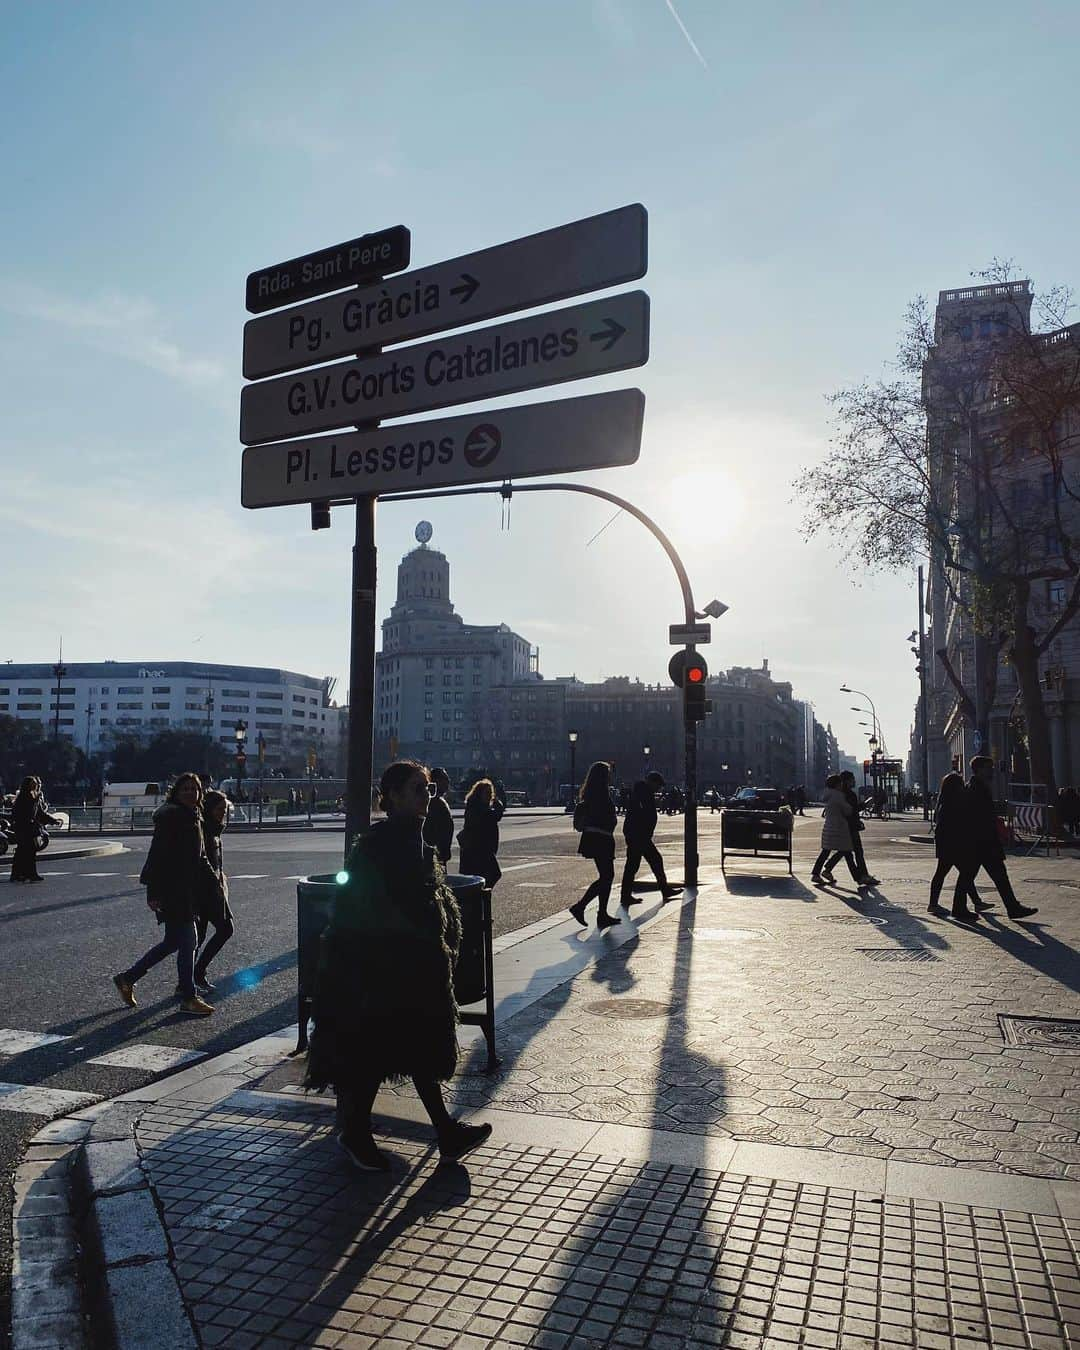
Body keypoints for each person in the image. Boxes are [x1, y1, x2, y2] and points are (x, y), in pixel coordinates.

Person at [304, 760, 491, 1171]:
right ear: (392, 796)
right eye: (418, 788)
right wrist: (419, 937)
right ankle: (357, 1132)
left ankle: (444, 1132)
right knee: (376, 1051)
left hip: (407, 966)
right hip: (382, 969)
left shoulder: (412, 838)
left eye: (428, 787)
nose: (428, 794)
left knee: (410, 1047)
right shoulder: (381, 844)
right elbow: (374, 908)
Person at [113, 773, 218, 1016]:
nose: (191, 793)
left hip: (186, 889)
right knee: (189, 941)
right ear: (176, 793)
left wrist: (213, 881)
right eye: (186, 789)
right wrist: (153, 892)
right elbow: (157, 855)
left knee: (173, 942)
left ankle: (128, 978)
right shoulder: (172, 817)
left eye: (195, 789)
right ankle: (188, 996)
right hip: (173, 889)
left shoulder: (192, 816)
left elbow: (200, 857)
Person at [968, 756, 1037, 920]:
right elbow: (981, 815)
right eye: (988, 767)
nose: (992, 770)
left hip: (982, 841)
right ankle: (1012, 907)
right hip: (984, 842)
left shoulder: (978, 786)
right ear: (979, 769)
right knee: (987, 876)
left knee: (985, 876)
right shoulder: (977, 788)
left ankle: (1012, 907)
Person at [927, 771, 986, 923]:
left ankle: (935, 904)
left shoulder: (944, 800)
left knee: (952, 872)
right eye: (961, 784)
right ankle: (963, 906)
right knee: (965, 872)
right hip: (954, 843)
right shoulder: (955, 800)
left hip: (945, 842)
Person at [193, 790, 235, 991]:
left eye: (225, 809)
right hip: (204, 891)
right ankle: (194, 976)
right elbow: (202, 862)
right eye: (219, 809)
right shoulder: (203, 830)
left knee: (199, 937)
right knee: (215, 932)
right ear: (209, 809)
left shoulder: (215, 829)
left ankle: (193, 976)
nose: (222, 813)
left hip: (213, 889)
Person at [569, 761, 620, 930]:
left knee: (607, 876)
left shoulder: (592, 791)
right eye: (607, 773)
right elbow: (603, 815)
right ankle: (581, 907)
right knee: (607, 876)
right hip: (601, 838)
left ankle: (601, 913)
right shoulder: (600, 793)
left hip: (597, 838)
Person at [620, 771, 680, 908]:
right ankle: (627, 895)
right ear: (652, 782)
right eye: (658, 785)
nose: (659, 789)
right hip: (639, 835)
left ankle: (627, 894)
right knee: (640, 863)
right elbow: (643, 814)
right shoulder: (643, 793)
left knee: (639, 864)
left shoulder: (642, 791)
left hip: (639, 834)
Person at [811, 774, 861, 885]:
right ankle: (858, 878)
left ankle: (817, 873)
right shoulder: (838, 796)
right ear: (838, 784)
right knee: (847, 851)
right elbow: (847, 810)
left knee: (826, 851)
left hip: (829, 827)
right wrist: (856, 807)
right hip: (839, 828)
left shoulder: (828, 795)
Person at [457, 778, 504, 888]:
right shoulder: (479, 809)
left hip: (477, 850)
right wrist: (497, 802)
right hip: (479, 850)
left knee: (480, 877)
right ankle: (483, 895)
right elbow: (496, 815)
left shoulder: (477, 806)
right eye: (487, 793)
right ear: (479, 794)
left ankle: (482, 895)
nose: (489, 796)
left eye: (490, 793)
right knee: (493, 874)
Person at [9, 777, 57, 884]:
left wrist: (53, 820)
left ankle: (27, 874)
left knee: (29, 852)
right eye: (33, 784)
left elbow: (40, 813)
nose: (36, 786)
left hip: (31, 829)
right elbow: (26, 811)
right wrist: (35, 800)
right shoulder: (23, 797)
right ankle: (20, 874)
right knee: (24, 852)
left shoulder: (35, 797)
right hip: (23, 828)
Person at [836, 770, 879, 886]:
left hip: (843, 826)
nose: (854, 781)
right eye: (852, 779)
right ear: (847, 781)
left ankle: (859, 877)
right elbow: (852, 810)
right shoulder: (849, 794)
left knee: (847, 853)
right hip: (850, 827)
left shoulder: (839, 794)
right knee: (857, 852)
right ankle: (863, 876)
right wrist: (865, 804)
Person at [423, 767, 454, 866]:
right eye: (444, 779)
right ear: (435, 782)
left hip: (438, 854)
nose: (448, 781)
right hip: (435, 855)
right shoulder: (434, 802)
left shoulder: (438, 801)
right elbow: (433, 831)